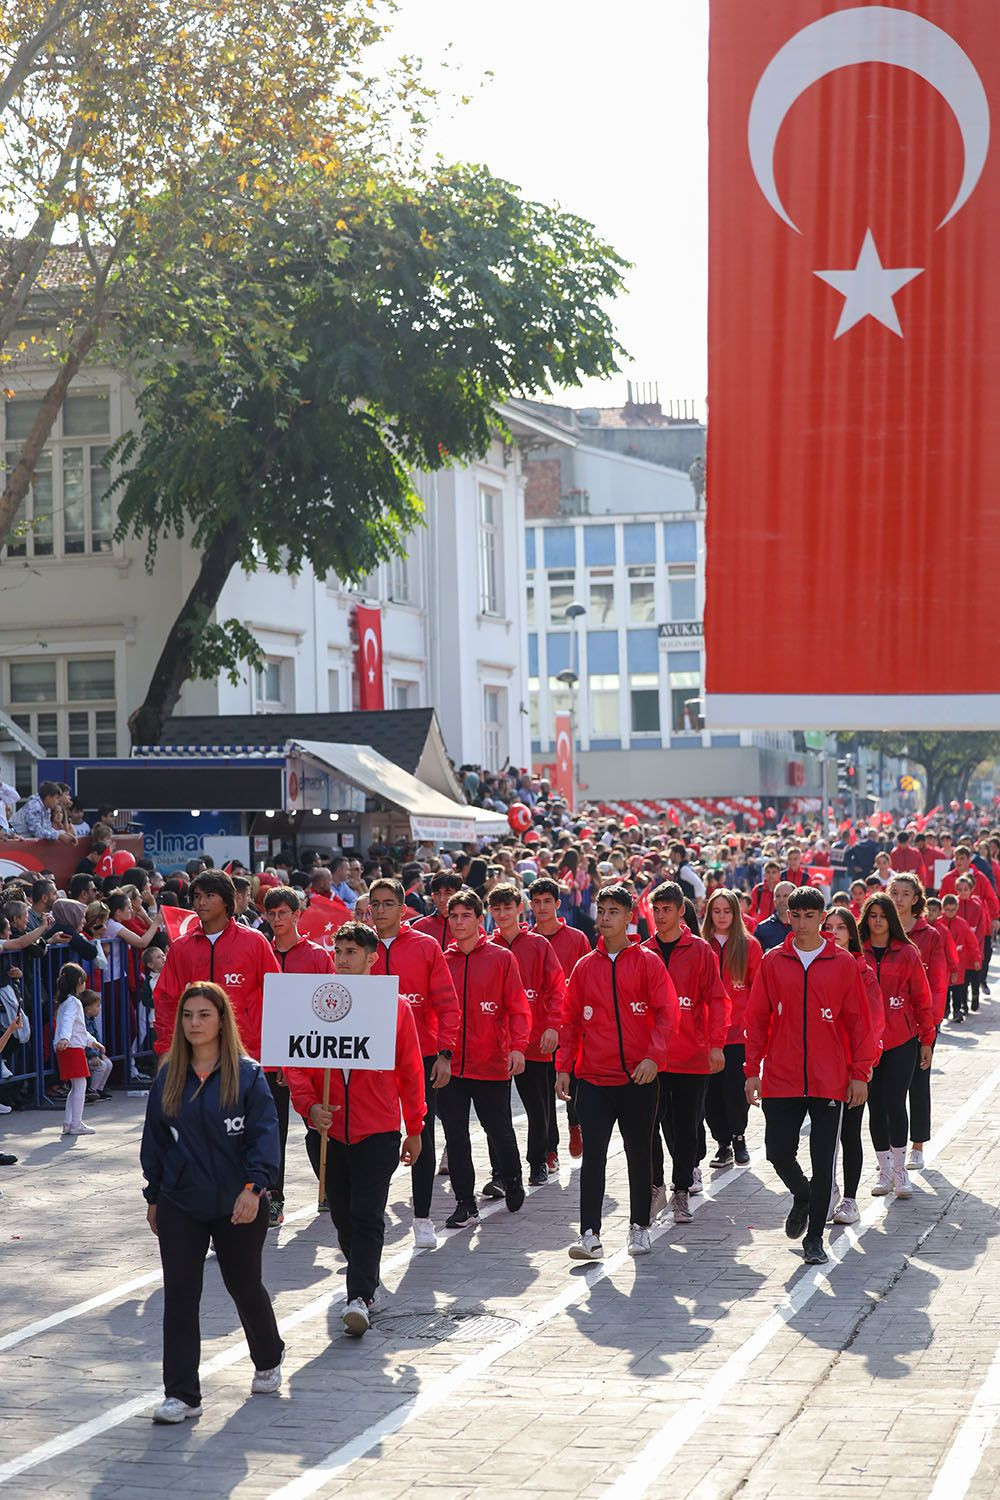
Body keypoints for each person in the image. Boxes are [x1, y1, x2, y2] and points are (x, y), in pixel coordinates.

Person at [141, 981, 283, 1423]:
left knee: (244, 1285)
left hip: (237, 1202)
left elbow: (265, 1136)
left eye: (204, 1015)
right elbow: (156, 1141)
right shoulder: (168, 1076)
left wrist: (253, 1189)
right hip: (181, 1201)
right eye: (187, 1015)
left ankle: (268, 1355)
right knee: (181, 1295)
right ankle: (182, 1394)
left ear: (222, 1020)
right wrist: (154, 1195)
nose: (194, 1024)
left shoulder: (249, 1074)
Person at [286, 921, 425, 1336]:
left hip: (377, 1131)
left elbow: (410, 1070)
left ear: (371, 957)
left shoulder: (395, 1007)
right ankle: (365, 1278)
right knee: (344, 1218)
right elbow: (295, 1060)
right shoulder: (313, 1002)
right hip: (327, 1133)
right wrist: (310, 1107)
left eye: (351, 952)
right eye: (339, 951)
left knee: (367, 1215)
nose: (342, 959)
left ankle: (359, 1296)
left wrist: (414, 1126)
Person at [744, 887, 877, 1265]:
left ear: (823, 918)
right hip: (782, 1076)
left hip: (829, 1079)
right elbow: (756, 1019)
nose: (801, 923)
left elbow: (858, 1024)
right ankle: (801, 1195)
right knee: (777, 1152)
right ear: (788, 916)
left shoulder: (843, 963)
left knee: (824, 1159)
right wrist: (752, 1070)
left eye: (809, 916)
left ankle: (815, 1237)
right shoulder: (773, 961)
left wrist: (860, 1074)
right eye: (795, 915)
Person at [556, 882, 673, 1260]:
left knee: (639, 1152)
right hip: (593, 1079)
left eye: (613, 912)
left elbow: (667, 1014)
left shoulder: (648, 962)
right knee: (593, 1157)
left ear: (629, 918)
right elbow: (570, 1021)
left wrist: (654, 1058)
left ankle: (640, 1227)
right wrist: (564, 1067)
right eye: (601, 911)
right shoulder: (585, 966)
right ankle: (589, 1234)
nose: (605, 918)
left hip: (639, 1079)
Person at [367, 878, 459, 1248]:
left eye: (389, 903)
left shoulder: (425, 947)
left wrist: (445, 1054)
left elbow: (447, 1004)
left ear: (403, 908)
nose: (381, 909)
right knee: (375, 1137)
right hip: (368, 1056)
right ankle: (370, 1214)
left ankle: (422, 1218)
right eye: (375, 904)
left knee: (420, 1132)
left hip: (419, 1055)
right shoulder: (358, 947)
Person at [435, 889, 530, 1229]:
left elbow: (518, 1007)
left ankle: (513, 1177)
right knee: (455, 1135)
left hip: (491, 1062)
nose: (459, 923)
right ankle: (465, 1201)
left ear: (479, 919)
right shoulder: (442, 960)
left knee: (499, 1130)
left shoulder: (502, 958)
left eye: (466, 916)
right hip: (451, 1065)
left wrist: (517, 1046)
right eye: (454, 917)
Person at [643, 881, 730, 1224]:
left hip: (691, 1056)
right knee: (652, 1126)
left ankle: (681, 1190)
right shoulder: (643, 951)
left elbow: (718, 999)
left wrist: (717, 1044)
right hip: (652, 1057)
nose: (661, 916)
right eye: (657, 910)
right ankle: (655, 1187)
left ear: (682, 911)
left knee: (685, 1127)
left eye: (668, 909)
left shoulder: (700, 950)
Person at [261, 884, 334, 1226]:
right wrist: (276, 1059)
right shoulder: (262, 952)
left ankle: (330, 1187)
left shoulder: (318, 956)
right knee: (272, 1131)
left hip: (310, 1055)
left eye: (283, 914)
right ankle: (274, 1198)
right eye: (272, 914)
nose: (277, 920)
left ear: (297, 915)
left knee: (317, 1125)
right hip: (269, 1058)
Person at [153, 871, 280, 1064]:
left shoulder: (254, 942)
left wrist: (276, 1052)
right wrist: (166, 1048)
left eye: (209, 896)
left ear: (227, 901)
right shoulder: (180, 947)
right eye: (197, 896)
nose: (201, 902)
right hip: (194, 1052)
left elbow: (275, 996)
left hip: (246, 1051)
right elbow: (166, 1000)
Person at [486, 883, 565, 1187]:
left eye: (508, 907)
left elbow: (558, 988)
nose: (503, 914)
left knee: (538, 1108)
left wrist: (552, 1026)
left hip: (534, 1041)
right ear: (490, 911)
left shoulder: (538, 945)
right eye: (497, 908)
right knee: (496, 1113)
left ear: (520, 909)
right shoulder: (485, 947)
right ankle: (501, 1173)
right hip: (494, 1045)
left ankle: (538, 1162)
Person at [859, 894, 935, 1199]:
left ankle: (902, 1169)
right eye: (873, 915)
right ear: (865, 919)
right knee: (875, 1106)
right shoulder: (855, 953)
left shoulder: (907, 952)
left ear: (891, 919)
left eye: (883, 915)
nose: (878, 921)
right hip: (865, 1043)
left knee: (895, 1102)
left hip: (901, 1040)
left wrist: (927, 1038)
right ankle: (885, 1169)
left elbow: (922, 998)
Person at [820, 907, 884, 1225]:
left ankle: (849, 1199)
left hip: (853, 1068)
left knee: (849, 1133)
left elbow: (872, 1024)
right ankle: (827, 1190)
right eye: (828, 926)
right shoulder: (815, 967)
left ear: (851, 934)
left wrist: (864, 1067)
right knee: (824, 1135)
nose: (833, 932)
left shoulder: (864, 972)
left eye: (840, 927)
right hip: (820, 1068)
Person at [887, 874, 948, 1172]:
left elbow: (937, 983)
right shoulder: (881, 929)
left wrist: (930, 1027)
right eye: (894, 892)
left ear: (916, 898)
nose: (898, 898)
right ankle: (890, 1148)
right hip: (888, 1022)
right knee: (888, 1088)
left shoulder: (930, 935)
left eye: (905, 893)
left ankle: (917, 1145)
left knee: (918, 1084)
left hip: (920, 1022)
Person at [528, 876, 591, 1163]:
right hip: (538, 1030)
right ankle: (550, 1149)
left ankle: (575, 1123)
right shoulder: (526, 940)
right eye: (537, 902)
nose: (542, 908)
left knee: (572, 1087)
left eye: (547, 902)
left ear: (558, 904)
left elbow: (590, 979)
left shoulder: (577, 939)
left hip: (572, 1028)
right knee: (543, 1093)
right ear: (530, 905)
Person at [702, 889, 762, 1170]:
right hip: (706, 1034)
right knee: (711, 1093)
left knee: (736, 1090)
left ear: (735, 913)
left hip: (738, 1033)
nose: (722, 916)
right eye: (717, 911)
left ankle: (739, 1138)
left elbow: (758, 990)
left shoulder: (749, 945)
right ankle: (722, 1143)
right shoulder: (701, 945)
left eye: (727, 911)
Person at [54, 963, 99, 1137]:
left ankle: (69, 1122)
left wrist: (92, 1042)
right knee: (80, 1085)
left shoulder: (66, 1002)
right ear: (80, 982)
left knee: (75, 1086)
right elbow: (69, 1024)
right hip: (72, 1047)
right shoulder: (74, 1003)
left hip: (68, 1046)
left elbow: (78, 1028)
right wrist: (65, 1038)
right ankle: (76, 1123)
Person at [937, 892, 981, 1023]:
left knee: (957, 988)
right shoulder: (938, 924)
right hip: (942, 962)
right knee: (944, 988)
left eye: (953, 910)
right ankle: (944, 1011)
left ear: (957, 909)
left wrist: (976, 959)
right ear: (943, 908)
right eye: (947, 910)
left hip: (958, 962)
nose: (950, 912)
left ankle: (957, 1010)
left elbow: (972, 943)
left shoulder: (962, 924)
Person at [10, 781, 77, 843]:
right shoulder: (34, 806)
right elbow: (37, 832)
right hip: (11, 838)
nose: (57, 802)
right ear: (48, 797)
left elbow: (47, 828)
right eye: (56, 798)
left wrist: (62, 833)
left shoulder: (47, 808)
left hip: (21, 841)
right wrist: (59, 836)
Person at [411, 871, 462, 949]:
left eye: (448, 893)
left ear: (458, 895)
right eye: (437, 893)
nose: (442, 899)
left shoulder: (468, 926)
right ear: (432, 896)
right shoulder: (419, 927)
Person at [81, 988, 114, 1102]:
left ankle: (99, 1089)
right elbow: (84, 1040)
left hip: (93, 1053)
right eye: (97, 1006)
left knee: (108, 1063)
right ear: (89, 1009)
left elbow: (96, 1038)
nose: (99, 1008)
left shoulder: (92, 1020)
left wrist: (100, 1053)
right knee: (101, 1066)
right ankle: (91, 1090)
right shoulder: (83, 1021)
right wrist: (93, 1054)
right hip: (85, 1055)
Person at [754, 882, 794, 952]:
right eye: (778, 896)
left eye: (786, 896)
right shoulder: (762, 929)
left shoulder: (803, 928)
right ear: (774, 900)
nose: (781, 900)